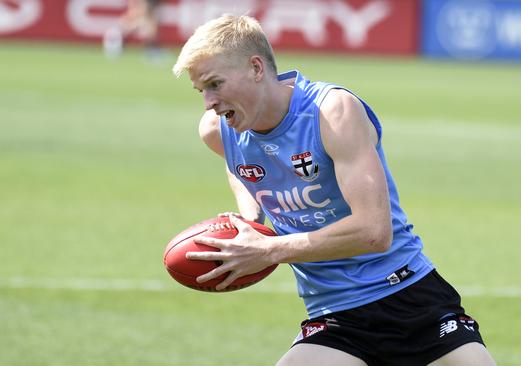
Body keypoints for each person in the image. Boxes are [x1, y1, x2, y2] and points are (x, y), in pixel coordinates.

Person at [172, 14, 497, 366]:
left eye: (215, 84)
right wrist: (252, 217)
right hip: (335, 317)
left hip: (411, 298)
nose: (208, 101)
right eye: (201, 90)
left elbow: (374, 232)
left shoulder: (331, 112)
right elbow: (240, 166)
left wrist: (268, 249)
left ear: (255, 67)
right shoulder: (219, 130)